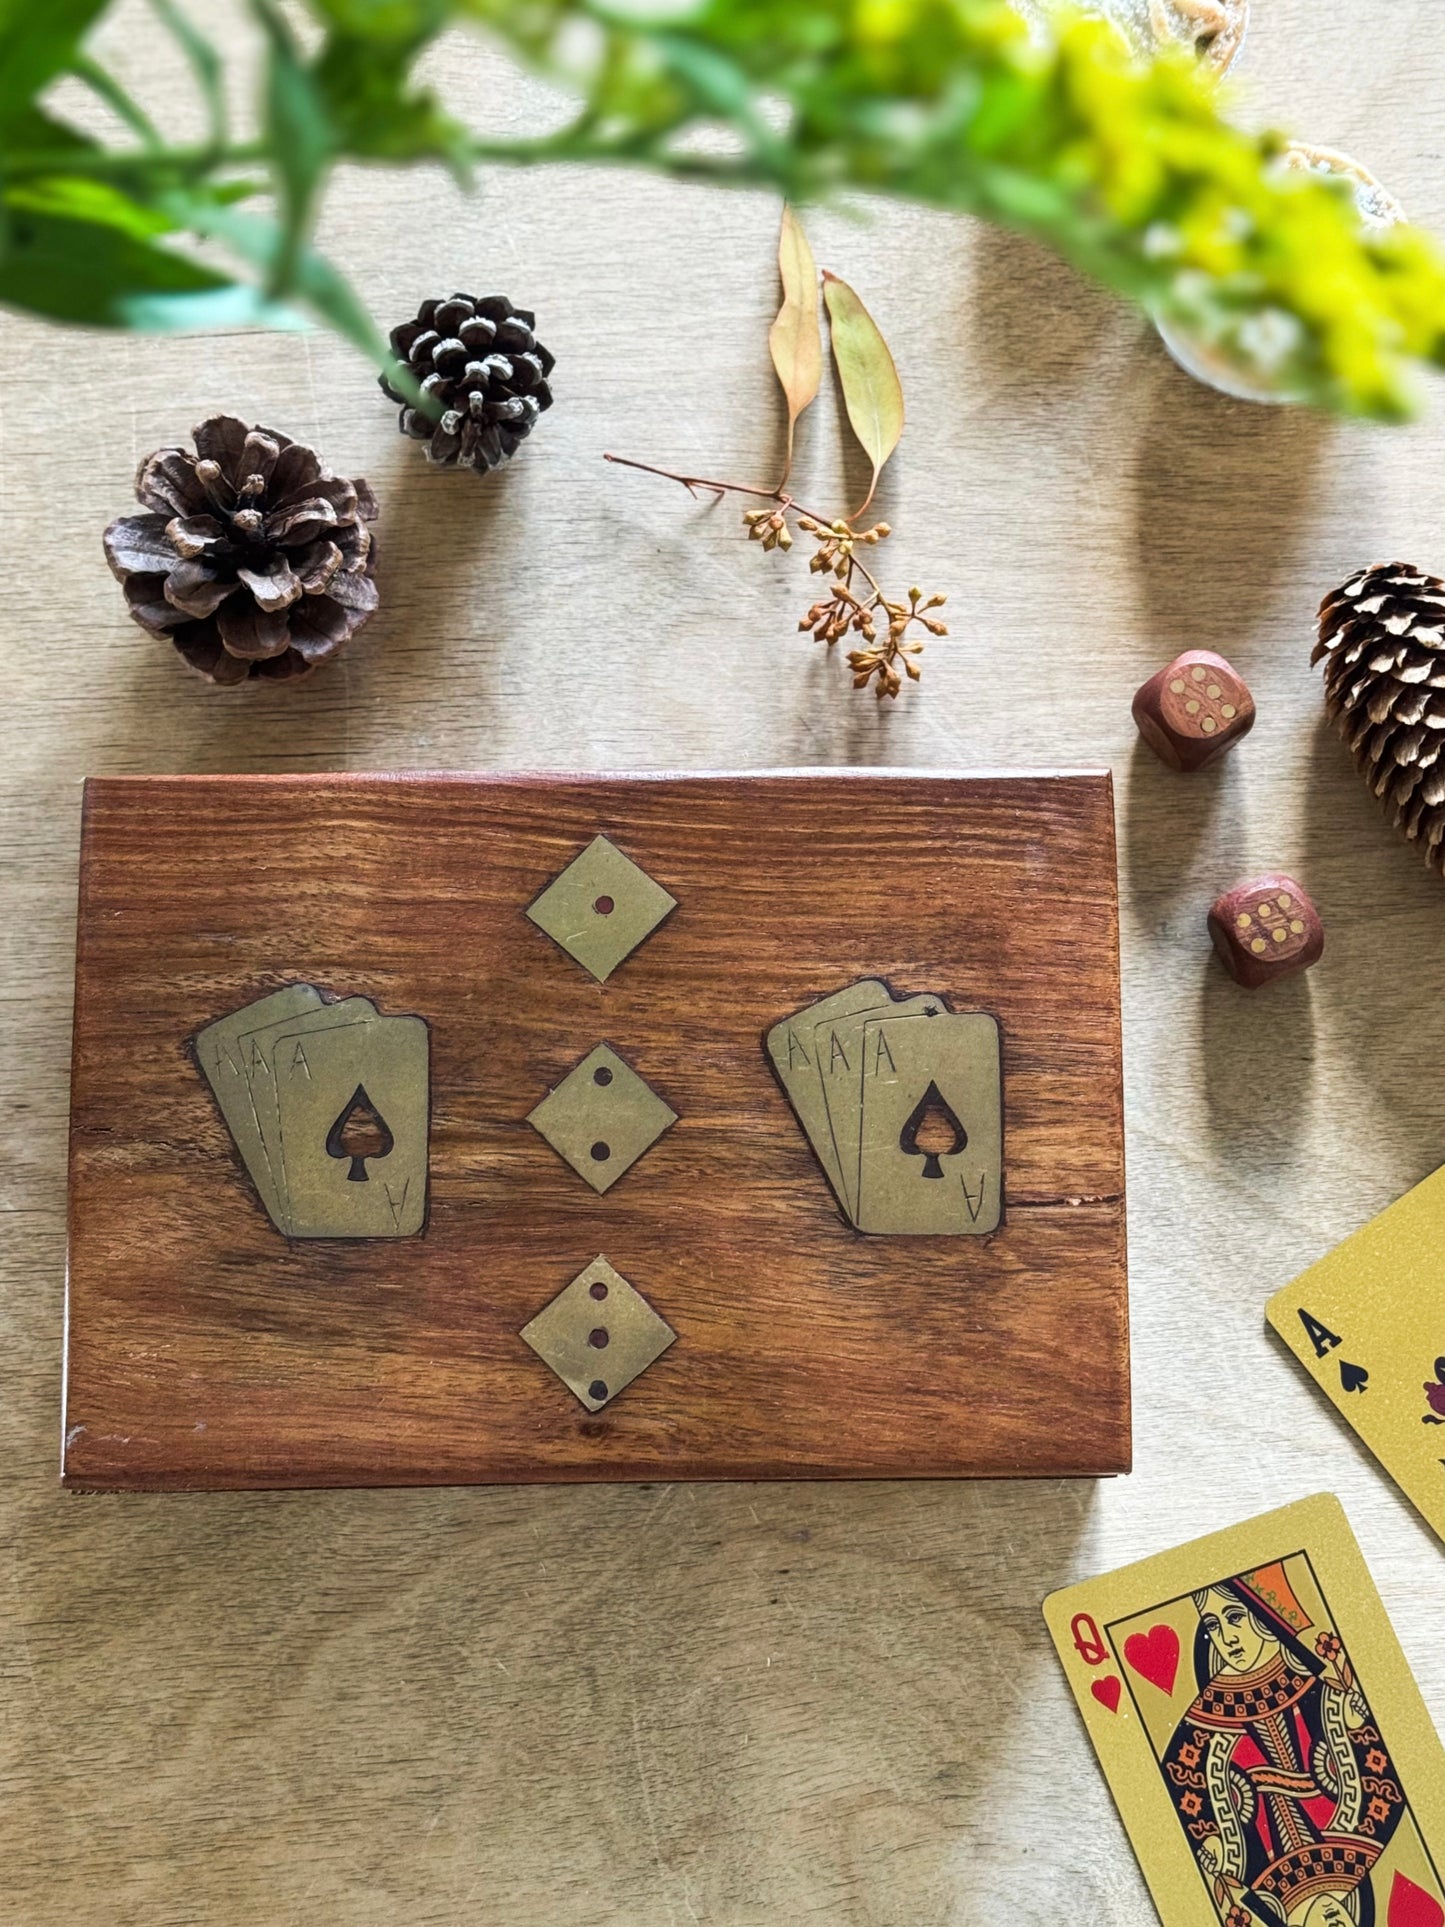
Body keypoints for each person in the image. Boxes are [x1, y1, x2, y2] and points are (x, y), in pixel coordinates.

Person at [1160, 1572, 1405, 1927]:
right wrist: (1209, 1838)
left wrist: (1210, 1846)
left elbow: (1385, 1774)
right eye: (1213, 1624)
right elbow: (1175, 1787)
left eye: (1234, 1617)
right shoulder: (1206, 1717)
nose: (1227, 1638)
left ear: (1260, 1618)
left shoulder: (1318, 1685)